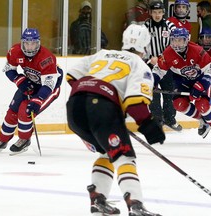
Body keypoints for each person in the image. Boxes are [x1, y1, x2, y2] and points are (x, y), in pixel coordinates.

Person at [66, 24, 165, 216]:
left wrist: (94, 102)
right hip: (101, 108)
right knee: (124, 156)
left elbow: (72, 76)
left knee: (108, 153)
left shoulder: (102, 54)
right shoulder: (140, 65)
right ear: (145, 46)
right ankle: (135, 205)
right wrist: (148, 125)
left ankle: (98, 200)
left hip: (75, 107)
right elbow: (135, 103)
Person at [0, 28, 63, 154]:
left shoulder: (47, 58)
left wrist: (38, 100)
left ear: (38, 43)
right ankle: (2, 140)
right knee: (12, 111)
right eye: (27, 43)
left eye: (33, 43)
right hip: (30, 83)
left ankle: (24, 140)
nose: (30, 47)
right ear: (22, 43)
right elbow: (9, 69)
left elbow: (49, 85)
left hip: (49, 88)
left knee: (26, 110)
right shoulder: (15, 51)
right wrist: (20, 80)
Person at [153, 27, 211, 138]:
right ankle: (202, 120)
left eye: (180, 40)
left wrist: (202, 84)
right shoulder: (168, 53)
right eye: (174, 40)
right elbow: (159, 69)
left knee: (202, 104)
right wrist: (153, 80)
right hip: (182, 81)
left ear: (186, 40)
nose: (177, 43)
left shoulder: (197, 50)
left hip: (200, 79)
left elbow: (209, 68)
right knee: (178, 104)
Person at [144, 1, 182, 131]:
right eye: (154, 12)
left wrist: (163, 58)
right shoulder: (145, 27)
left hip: (167, 65)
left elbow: (177, 43)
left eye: (159, 12)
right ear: (150, 13)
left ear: (163, 13)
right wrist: (149, 58)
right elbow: (140, 45)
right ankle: (157, 120)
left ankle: (170, 119)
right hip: (150, 65)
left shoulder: (170, 26)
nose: (157, 15)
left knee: (169, 92)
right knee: (153, 93)